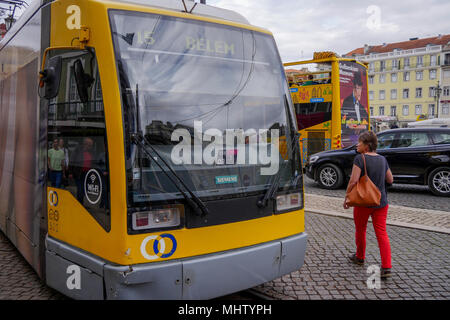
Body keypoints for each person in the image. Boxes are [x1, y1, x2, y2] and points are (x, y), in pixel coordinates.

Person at [343, 131, 394, 279]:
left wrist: (347, 197)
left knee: (361, 229)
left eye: (359, 143)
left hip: (363, 203)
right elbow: (390, 179)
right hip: (381, 202)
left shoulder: (360, 159)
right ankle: (386, 267)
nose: (357, 145)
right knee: (382, 233)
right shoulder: (383, 159)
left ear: (366, 146)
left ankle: (360, 257)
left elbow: (353, 181)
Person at [70, 137, 94, 203]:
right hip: (79, 173)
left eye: (91, 145)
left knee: (84, 190)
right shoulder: (78, 150)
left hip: (87, 174)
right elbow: (72, 161)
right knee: (80, 189)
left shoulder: (91, 152)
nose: (91, 146)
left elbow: (92, 162)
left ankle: (81, 202)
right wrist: (70, 173)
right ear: (85, 144)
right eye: (90, 145)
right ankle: (80, 204)